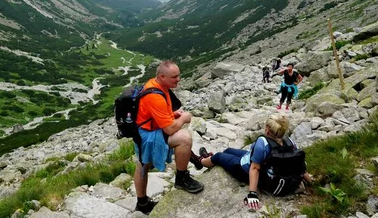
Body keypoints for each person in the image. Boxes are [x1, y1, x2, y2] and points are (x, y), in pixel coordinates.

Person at [197, 114, 312, 211]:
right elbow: (298, 163)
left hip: (243, 168)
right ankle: (209, 158)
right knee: (228, 150)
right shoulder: (289, 141)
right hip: (266, 166)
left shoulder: (263, 143)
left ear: (267, 129)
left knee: (218, 156)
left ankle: (201, 161)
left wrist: (252, 193)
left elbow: (255, 168)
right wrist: (310, 181)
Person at [133, 60, 204, 214]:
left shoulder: (158, 85)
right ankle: (182, 179)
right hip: (148, 135)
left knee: (142, 165)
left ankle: (142, 203)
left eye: (178, 75)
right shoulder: (155, 96)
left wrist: (172, 114)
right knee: (184, 138)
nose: (178, 79)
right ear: (162, 76)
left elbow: (158, 115)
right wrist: (184, 118)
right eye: (174, 77)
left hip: (146, 130)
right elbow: (170, 129)